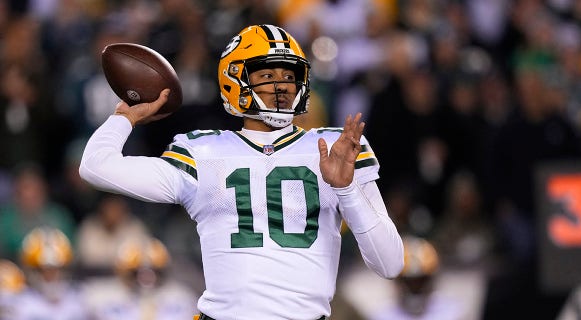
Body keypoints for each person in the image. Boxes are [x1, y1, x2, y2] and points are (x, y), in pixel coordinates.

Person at [79, 24, 404, 319]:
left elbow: (390, 264)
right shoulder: (202, 151)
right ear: (235, 81)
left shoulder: (335, 146)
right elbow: (95, 166)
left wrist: (347, 189)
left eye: (289, 76)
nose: (283, 88)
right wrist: (125, 115)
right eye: (267, 76)